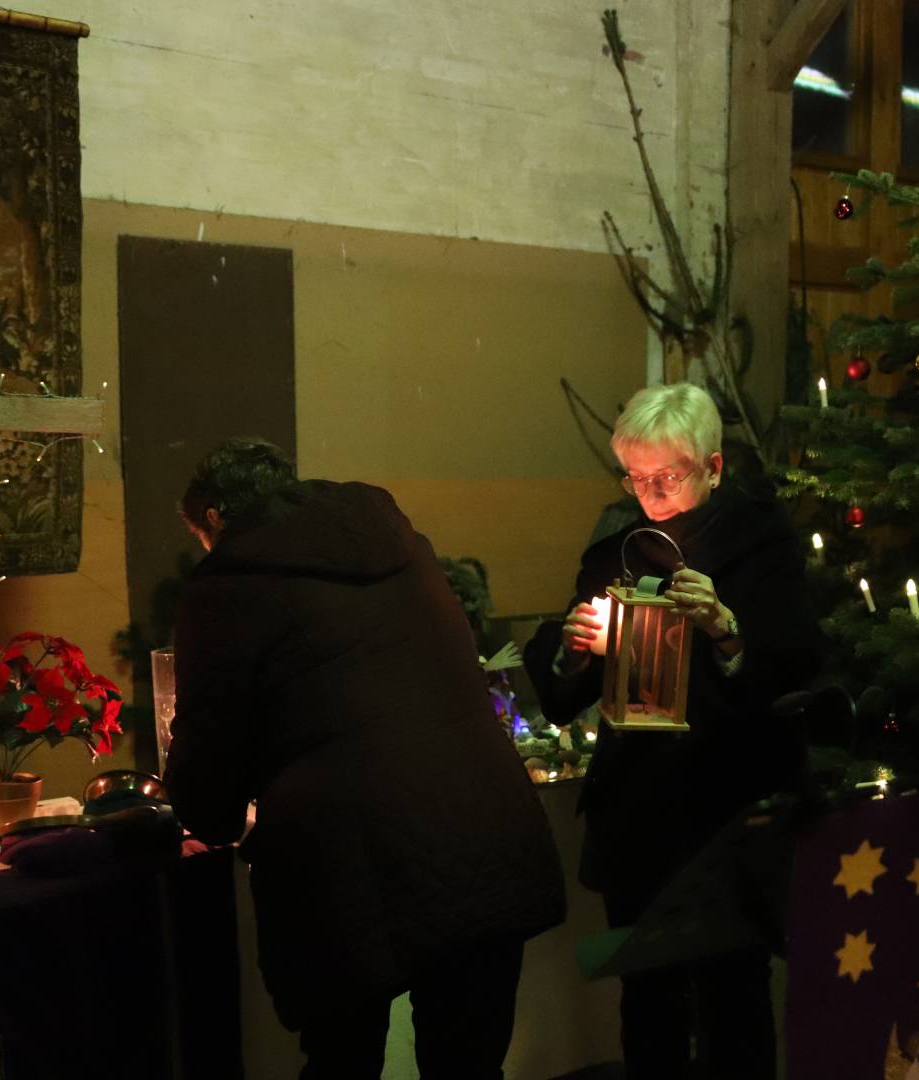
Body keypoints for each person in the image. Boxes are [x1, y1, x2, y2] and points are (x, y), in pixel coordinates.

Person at [165, 438, 565, 1080]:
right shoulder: (399, 544)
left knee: (342, 1062)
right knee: (469, 1065)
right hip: (486, 836)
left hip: (352, 869)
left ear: (213, 520)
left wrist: (209, 813)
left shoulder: (226, 588)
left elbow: (207, 777)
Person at [523, 383, 820, 1080]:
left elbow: (796, 662)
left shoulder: (761, 539)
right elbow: (568, 684)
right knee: (647, 994)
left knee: (732, 994)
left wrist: (726, 632)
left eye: (668, 477)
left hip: (726, 807)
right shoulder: (618, 542)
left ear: (713, 468)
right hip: (639, 815)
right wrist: (573, 650)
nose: (649, 494)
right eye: (636, 477)